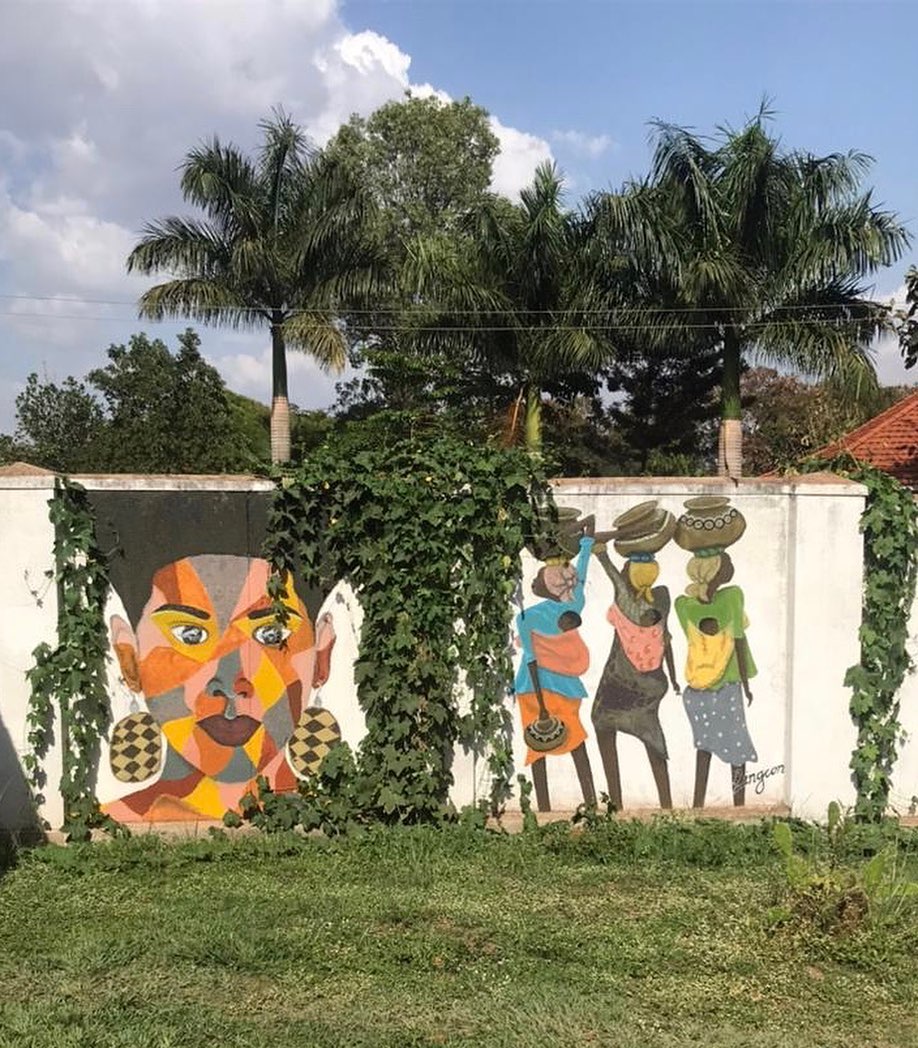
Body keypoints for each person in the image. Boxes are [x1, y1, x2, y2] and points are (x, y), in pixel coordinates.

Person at [103, 555, 335, 821]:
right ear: (128, 657)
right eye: (190, 634)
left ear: (322, 656)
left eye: (271, 634)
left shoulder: (331, 816)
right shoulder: (112, 818)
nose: (231, 684)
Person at [591, 501, 679, 810]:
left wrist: (599, 550)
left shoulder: (626, 600)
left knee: (601, 723)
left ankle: (615, 802)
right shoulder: (663, 600)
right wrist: (675, 678)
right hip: (652, 683)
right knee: (652, 738)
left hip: (619, 683)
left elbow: (612, 573)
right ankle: (666, 803)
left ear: (630, 571)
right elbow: (667, 641)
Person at [672, 497, 757, 807]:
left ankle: (697, 803)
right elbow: (739, 640)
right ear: (718, 570)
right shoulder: (733, 597)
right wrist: (747, 684)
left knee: (704, 746)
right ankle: (739, 804)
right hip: (729, 681)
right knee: (737, 745)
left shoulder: (684, 606)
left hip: (697, 687)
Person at [515, 517, 597, 812]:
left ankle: (546, 808)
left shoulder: (526, 617)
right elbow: (583, 576)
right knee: (576, 742)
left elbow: (531, 659)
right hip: (561, 687)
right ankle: (592, 804)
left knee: (537, 747)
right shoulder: (573, 606)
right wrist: (586, 543)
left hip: (531, 688)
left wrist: (540, 701)